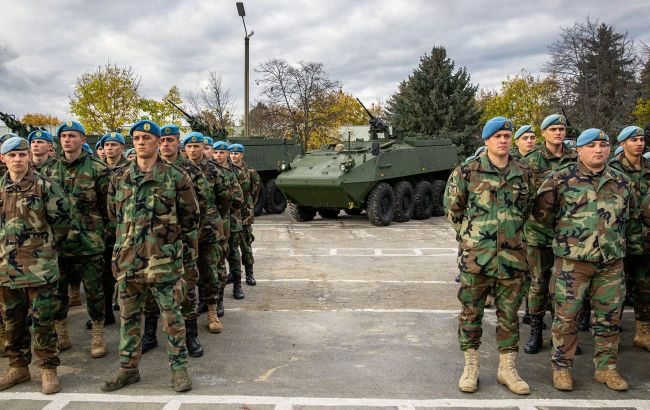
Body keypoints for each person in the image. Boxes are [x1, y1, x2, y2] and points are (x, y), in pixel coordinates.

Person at [529, 128, 631, 391]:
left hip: (610, 263)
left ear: (610, 149)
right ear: (580, 150)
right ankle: (562, 368)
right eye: (592, 145)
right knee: (566, 317)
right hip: (573, 264)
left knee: (609, 317)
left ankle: (607, 368)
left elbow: (627, 219)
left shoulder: (620, 181)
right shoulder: (561, 179)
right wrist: (566, 240)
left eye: (604, 144)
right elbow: (541, 215)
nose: (599, 149)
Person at [102, 120, 199, 392]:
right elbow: (114, 215)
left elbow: (191, 217)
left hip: (164, 261)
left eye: (147, 137)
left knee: (172, 317)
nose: (141, 142)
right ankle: (128, 369)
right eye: (136, 138)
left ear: (159, 141)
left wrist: (170, 246)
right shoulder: (119, 177)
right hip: (128, 261)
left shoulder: (176, 177)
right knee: (129, 319)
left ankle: (179, 369)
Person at [445, 116, 532, 395]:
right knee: (471, 313)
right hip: (476, 259)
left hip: (512, 258)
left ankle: (507, 368)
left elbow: (527, 210)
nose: (504, 141)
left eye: (507, 136)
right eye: (498, 137)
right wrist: (472, 238)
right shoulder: (467, 171)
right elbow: (454, 210)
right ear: (487, 141)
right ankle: (471, 366)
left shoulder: (524, 172)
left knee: (509, 315)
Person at [0, 136, 72, 394]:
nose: (18, 159)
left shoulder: (45, 186)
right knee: (12, 322)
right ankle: (18, 367)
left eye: (22, 154)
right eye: (13, 155)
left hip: (40, 269)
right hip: (6, 270)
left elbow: (62, 221)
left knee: (43, 321)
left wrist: (45, 249)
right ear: (3, 159)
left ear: (28, 157)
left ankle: (48, 369)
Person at [42, 120, 111, 358]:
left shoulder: (98, 169)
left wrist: (104, 237)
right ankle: (61, 332)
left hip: (89, 243)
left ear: (83, 140)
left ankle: (97, 333)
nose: (67, 140)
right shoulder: (48, 170)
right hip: (58, 245)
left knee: (94, 291)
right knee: (57, 292)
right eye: (64, 136)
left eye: (72, 136)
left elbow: (107, 208)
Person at [520, 114, 578, 355]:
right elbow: (523, 197)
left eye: (561, 129)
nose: (558, 133)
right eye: (553, 129)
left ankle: (561, 336)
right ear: (544, 133)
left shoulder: (576, 158)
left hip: (569, 234)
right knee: (538, 284)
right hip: (538, 234)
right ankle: (536, 333)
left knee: (565, 287)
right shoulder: (531, 161)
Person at [610, 126, 650, 352]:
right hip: (620, 240)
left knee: (645, 289)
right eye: (634, 139)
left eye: (641, 139)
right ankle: (611, 335)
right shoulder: (613, 170)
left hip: (646, 240)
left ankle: (643, 332)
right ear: (622, 143)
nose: (639, 143)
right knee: (615, 292)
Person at [212, 141, 244, 315]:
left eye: (221, 152)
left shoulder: (231, 173)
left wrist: (223, 211)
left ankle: (237, 285)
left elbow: (240, 198)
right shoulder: (208, 173)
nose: (218, 155)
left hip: (231, 220)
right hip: (215, 223)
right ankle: (214, 298)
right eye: (215, 152)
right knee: (216, 259)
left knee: (233, 253)